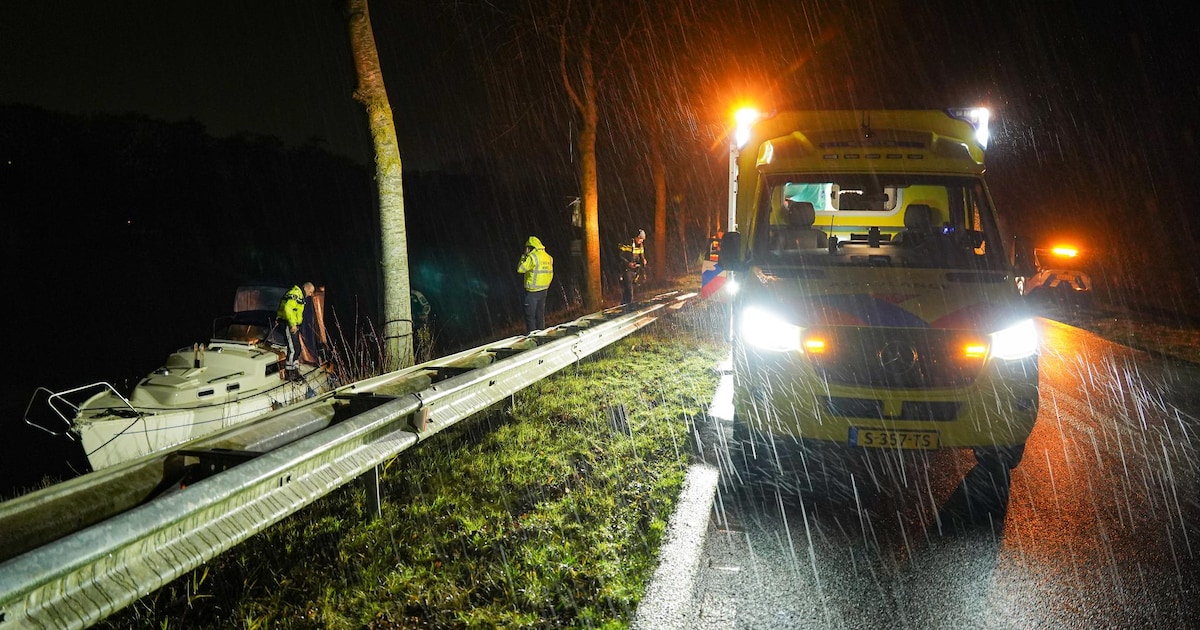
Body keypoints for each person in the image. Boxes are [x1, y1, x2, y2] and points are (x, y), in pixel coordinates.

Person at [277, 282, 314, 380]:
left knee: (297, 348)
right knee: (293, 349)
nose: (310, 294)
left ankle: (295, 370)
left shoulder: (299, 295)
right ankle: (290, 373)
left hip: (293, 324)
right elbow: (287, 308)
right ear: (306, 288)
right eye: (310, 292)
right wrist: (292, 324)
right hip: (289, 324)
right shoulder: (295, 294)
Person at [516, 236, 554, 332]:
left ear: (530, 247)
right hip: (544, 290)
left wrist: (524, 256)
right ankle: (542, 333)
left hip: (532, 291)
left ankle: (532, 336)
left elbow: (520, 269)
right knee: (540, 314)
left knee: (530, 317)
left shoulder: (532, 257)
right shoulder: (548, 257)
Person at [618, 229, 647, 305]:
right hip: (626, 269)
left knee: (629, 288)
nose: (641, 241)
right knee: (628, 287)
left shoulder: (640, 245)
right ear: (636, 237)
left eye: (642, 239)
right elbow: (620, 256)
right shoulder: (627, 243)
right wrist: (628, 263)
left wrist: (643, 260)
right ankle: (629, 304)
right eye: (640, 239)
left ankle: (624, 304)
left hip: (635, 269)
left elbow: (642, 255)